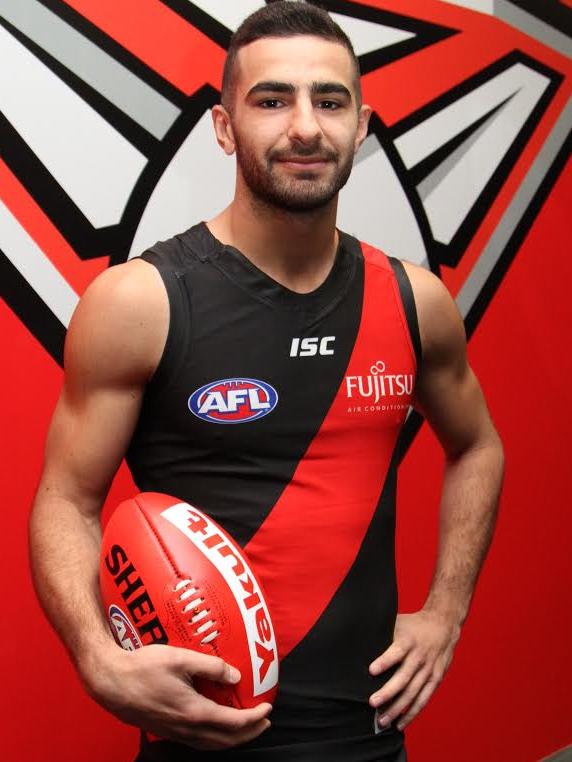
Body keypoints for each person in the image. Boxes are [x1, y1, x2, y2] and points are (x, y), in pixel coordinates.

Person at [29, 3, 504, 761]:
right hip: (198, 735)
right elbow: (65, 501)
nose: (306, 128)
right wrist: (97, 656)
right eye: (273, 99)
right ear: (224, 128)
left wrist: (446, 610)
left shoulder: (416, 301)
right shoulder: (142, 301)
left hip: (368, 736)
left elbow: (477, 446)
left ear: (363, 125)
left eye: (331, 100)